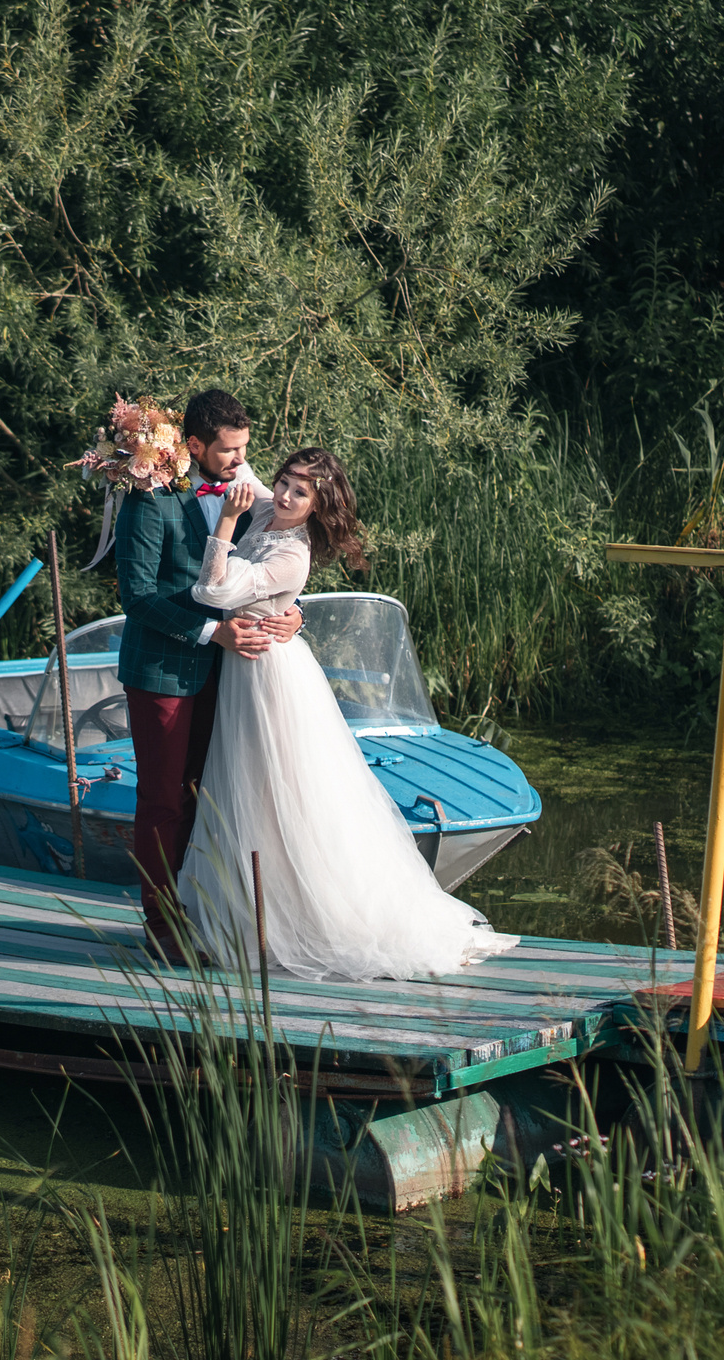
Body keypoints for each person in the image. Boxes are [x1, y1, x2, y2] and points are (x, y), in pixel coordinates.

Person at [174, 448, 519, 980]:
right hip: (245, 670)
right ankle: (255, 910)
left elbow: (212, 589)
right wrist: (158, 445)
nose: (286, 495)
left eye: (301, 492)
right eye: (285, 482)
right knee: (251, 790)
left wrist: (225, 521)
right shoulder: (265, 509)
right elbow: (238, 465)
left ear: (317, 505)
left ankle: (310, 914)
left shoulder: (294, 553)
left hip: (271, 677)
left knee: (286, 790)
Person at [114, 388, 302, 961]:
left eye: (245, 448)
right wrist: (211, 632)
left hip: (229, 673)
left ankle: (206, 913)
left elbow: (274, 562)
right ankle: (163, 927)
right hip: (162, 672)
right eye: (228, 451)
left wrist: (296, 612)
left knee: (211, 794)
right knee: (163, 800)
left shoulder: (249, 493)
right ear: (194, 446)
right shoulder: (149, 500)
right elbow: (137, 596)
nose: (241, 460)